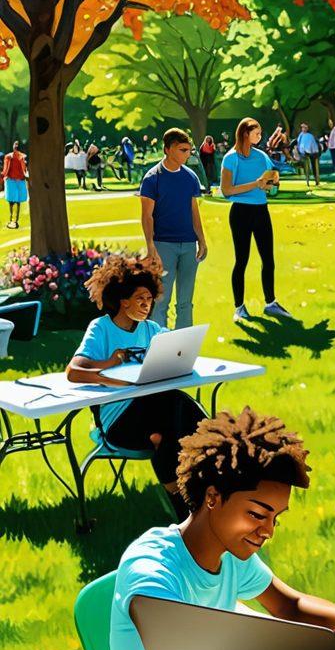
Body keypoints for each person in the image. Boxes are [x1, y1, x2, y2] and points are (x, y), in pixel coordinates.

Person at [106, 405, 335, 650]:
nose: (268, 531)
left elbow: (289, 605)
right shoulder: (151, 568)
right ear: (212, 497)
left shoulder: (231, 555)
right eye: (256, 514)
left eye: (275, 518)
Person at [67, 255, 206, 514]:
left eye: (150, 299)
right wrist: (108, 368)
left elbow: (178, 350)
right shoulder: (101, 328)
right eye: (140, 298)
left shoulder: (152, 329)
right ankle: (191, 506)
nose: (146, 305)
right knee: (173, 407)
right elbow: (73, 371)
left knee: (169, 421)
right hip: (119, 422)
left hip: (157, 417)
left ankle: (192, 507)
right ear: (123, 300)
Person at [221, 117, 291, 323]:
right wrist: (256, 183)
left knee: (268, 259)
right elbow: (226, 191)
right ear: (245, 134)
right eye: (257, 133)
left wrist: (274, 181)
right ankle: (239, 308)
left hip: (261, 211)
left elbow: (271, 184)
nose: (261, 136)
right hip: (240, 213)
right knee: (241, 260)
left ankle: (271, 304)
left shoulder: (261, 156)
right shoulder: (230, 158)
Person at [140, 128, 208, 330]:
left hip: (188, 245)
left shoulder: (190, 177)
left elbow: (194, 211)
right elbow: (146, 216)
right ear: (168, 149)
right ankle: (157, 345)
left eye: (189, 150)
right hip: (163, 246)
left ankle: (182, 349)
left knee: (186, 302)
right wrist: (151, 246)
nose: (187, 154)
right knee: (161, 300)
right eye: (182, 150)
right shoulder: (152, 178)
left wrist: (201, 240)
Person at [3, 140, 28, 229]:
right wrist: (4, 176)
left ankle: (14, 221)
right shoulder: (8, 157)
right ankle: (12, 220)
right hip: (11, 181)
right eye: (15, 145)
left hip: (18, 181)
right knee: (12, 202)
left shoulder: (22, 157)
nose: (16, 146)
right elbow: (5, 169)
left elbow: (24, 169)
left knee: (16, 202)